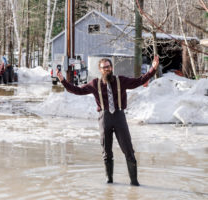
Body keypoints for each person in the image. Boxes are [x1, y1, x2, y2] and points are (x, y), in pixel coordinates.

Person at [57, 55, 159, 186]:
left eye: (108, 67)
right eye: (104, 68)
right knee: (106, 151)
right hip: (104, 118)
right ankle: (109, 181)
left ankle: (134, 182)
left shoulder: (121, 80)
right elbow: (77, 90)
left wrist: (153, 69)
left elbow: (139, 81)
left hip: (119, 117)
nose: (106, 69)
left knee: (128, 150)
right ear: (100, 70)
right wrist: (63, 80)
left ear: (112, 68)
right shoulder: (95, 84)